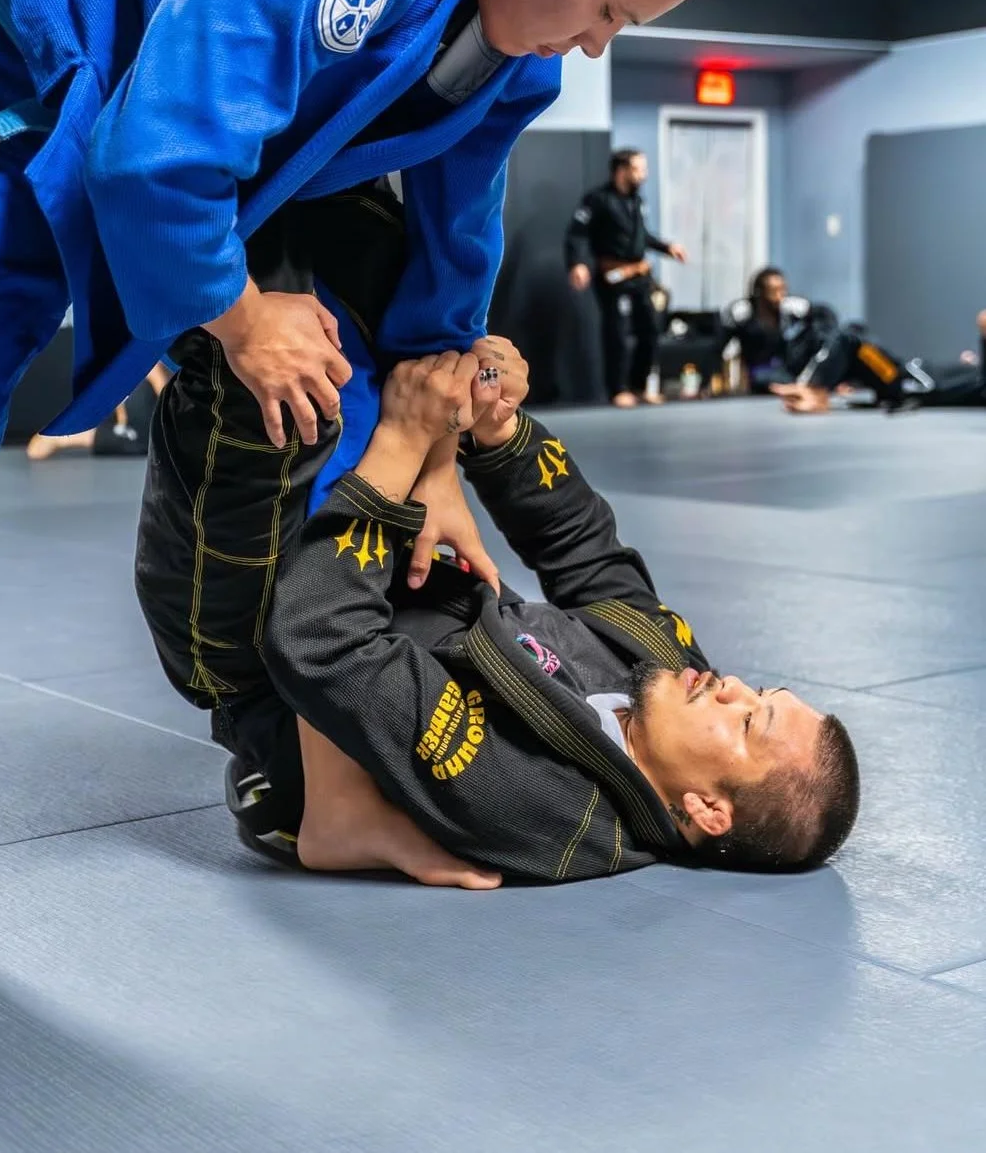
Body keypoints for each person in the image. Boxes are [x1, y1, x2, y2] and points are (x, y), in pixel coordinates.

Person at [0, 0, 748, 974]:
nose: (595, 46)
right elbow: (150, 157)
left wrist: (436, 457)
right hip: (19, 69)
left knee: (354, 410)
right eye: (612, 13)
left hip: (218, 121)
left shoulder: (513, 47)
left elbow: (449, 253)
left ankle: (333, 796)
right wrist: (236, 312)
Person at [137, 194, 859, 888]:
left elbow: (323, 644)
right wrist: (495, 426)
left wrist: (405, 444)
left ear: (706, 810)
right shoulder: (674, 674)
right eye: (756, 691)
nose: (731, 687)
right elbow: (585, 549)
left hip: (256, 642)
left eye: (749, 721)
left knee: (271, 367)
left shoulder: (548, 809)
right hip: (375, 563)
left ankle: (144, 185)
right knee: (372, 237)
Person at [565, 149, 688, 407]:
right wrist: (577, 263)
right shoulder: (597, 200)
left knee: (650, 329)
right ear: (622, 171)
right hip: (613, 276)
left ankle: (639, 386)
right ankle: (618, 389)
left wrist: (667, 247)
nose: (644, 175)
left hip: (639, 275)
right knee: (617, 333)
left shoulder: (637, 201)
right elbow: (577, 234)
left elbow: (643, 235)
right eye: (638, 169)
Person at [772, 309, 986, 414]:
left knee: (851, 341)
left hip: (903, 381)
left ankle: (814, 392)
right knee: (854, 344)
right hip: (905, 375)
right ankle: (811, 387)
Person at [721, 267, 840, 394]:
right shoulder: (744, 313)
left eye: (783, 289)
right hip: (760, 372)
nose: (780, 295)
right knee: (764, 377)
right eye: (773, 291)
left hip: (789, 368)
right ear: (759, 292)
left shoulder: (790, 309)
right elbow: (720, 343)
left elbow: (826, 320)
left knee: (831, 333)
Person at [26, 363, 171, 460]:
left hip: (145, 421)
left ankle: (60, 436)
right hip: (139, 424)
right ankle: (59, 437)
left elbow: (157, 377)